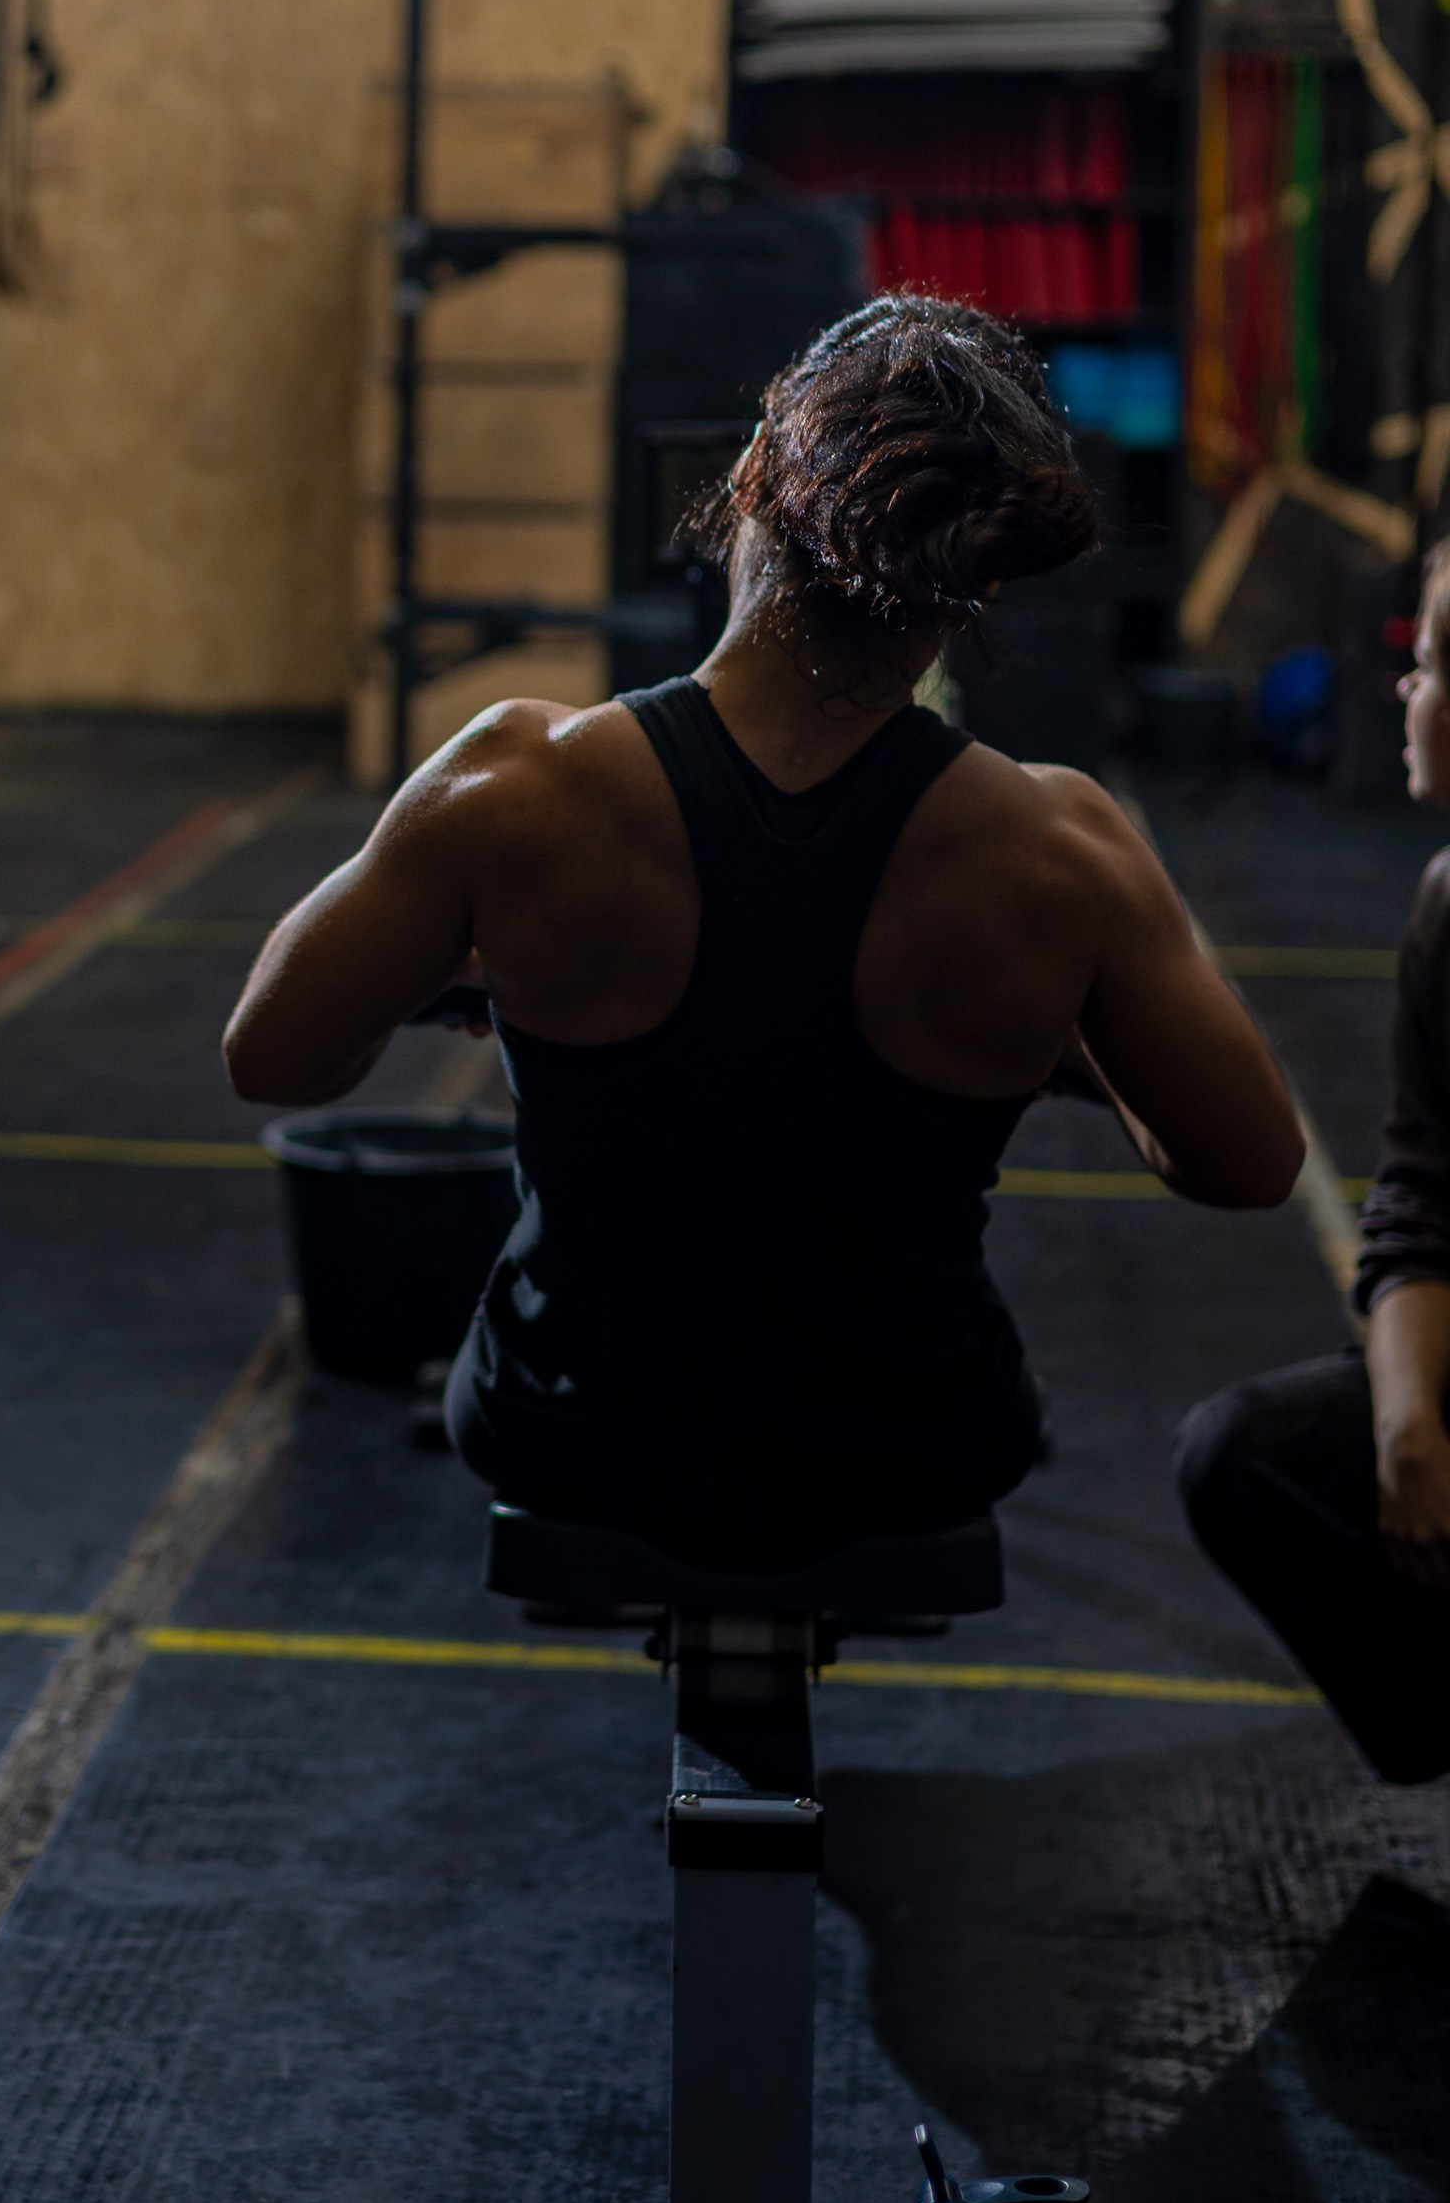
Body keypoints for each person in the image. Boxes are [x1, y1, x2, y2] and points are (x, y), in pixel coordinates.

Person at [227, 296, 1303, 1564]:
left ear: (748, 477)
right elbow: (1244, 1166)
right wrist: (1065, 1048)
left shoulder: (512, 783)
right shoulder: (1067, 848)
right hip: (917, 1446)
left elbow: (276, 1057)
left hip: (569, 1428)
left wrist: (480, 967)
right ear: (981, 575)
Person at [1177, 545, 1450, 1782]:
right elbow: (1420, 1193)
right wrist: (1406, 1428)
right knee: (1247, 1457)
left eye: (1428, 664)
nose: (1406, 691)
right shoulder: (1447, 902)